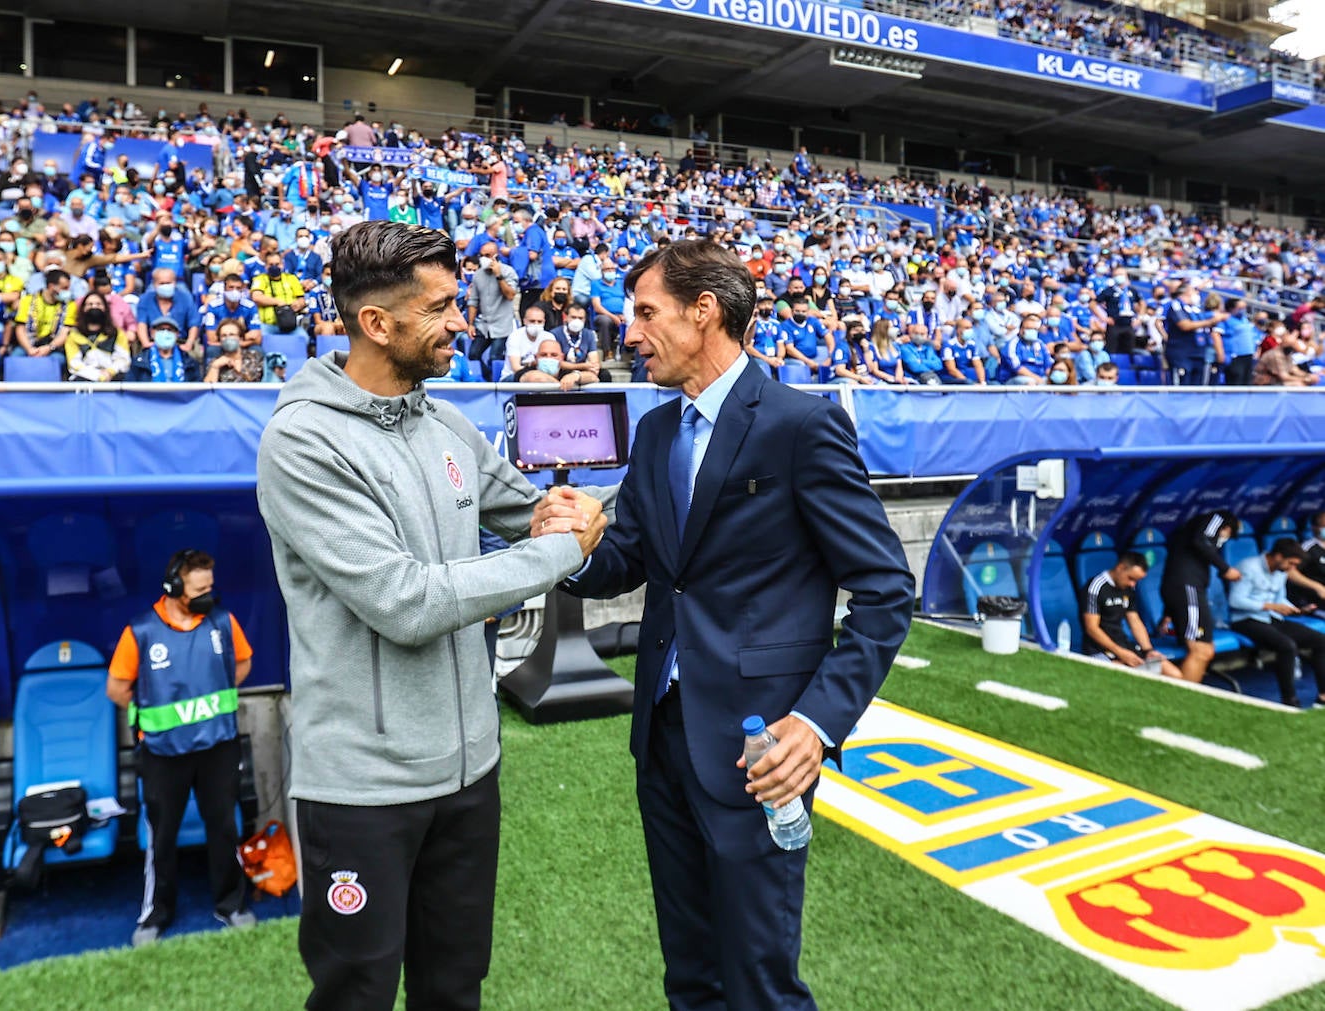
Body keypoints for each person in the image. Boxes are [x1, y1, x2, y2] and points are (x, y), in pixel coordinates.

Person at [546, 240, 914, 1010]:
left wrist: (815, 724)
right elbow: (634, 560)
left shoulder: (799, 426)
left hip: (762, 750)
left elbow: (884, 588)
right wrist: (575, 547)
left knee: (760, 981)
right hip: (663, 736)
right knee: (691, 974)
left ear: (703, 311)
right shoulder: (653, 433)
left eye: (646, 314)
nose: (631, 333)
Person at [256, 222, 610, 1011]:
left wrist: (623, 495)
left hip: (470, 771)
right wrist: (560, 553)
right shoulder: (302, 442)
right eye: (444, 306)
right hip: (362, 789)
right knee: (357, 994)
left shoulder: (444, 422)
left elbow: (536, 513)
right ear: (377, 324)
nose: (464, 321)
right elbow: (405, 603)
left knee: (455, 987)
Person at [105, 550, 255, 947]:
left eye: (210, 586)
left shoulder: (222, 622)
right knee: (163, 836)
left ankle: (231, 905)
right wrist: (151, 712)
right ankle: (157, 913)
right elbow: (117, 689)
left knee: (223, 827)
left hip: (218, 747)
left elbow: (242, 663)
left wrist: (214, 692)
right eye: (199, 588)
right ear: (173, 587)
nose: (209, 594)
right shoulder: (141, 632)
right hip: (163, 755)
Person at [1228, 539, 1325, 708]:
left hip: (1272, 617)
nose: (1291, 568)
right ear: (1279, 556)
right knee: (1287, 646)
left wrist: (1296, 609)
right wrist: (1271, 606)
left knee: (1321, 640)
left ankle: (1323, 696)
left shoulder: (1281, 571)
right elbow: (1235, 601)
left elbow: (1280, 599)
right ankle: (1290, 701)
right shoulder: (1249, 567)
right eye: (1291, 563)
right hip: (1245, 619)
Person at [1161, 511, 1242, 684]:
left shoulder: (1190, 537)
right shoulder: (1217, 518)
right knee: (1201, 650)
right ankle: (1182, 699)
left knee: (1206, 649)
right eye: (1229, 535)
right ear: (1227, 528)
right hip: (1188, 589)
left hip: (1186, 591)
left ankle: (1183, 694)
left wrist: (1167, 614)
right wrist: (1225, 568)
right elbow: (1200, 541)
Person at [1081, 553, 1181, 679]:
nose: (1133, 584)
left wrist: (1149, 651)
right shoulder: (1096, 586)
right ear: (1121, 568)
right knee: (1127, 676)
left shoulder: (1128, 588)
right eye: (1131, 578)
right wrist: (1121, 653)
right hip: (1098, 650)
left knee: (1175, 674)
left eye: (1136, 581)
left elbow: (1135, 621)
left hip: (1124, 645)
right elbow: (1092, 628)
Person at [64, 290, 131, 382]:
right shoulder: (74, 334)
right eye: (90, 304)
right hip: (85, 377)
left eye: (98, 304)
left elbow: (123, 359)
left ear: (105, 308)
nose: (94, 307)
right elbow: (74, 363)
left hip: (112, 376)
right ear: (83, 308)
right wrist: (96, 375)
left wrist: (109, 372)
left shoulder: (117, 333)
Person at [129, 316, 199, 382]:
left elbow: (198, 389)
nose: (165, 333)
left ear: (177, 334)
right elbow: (129, 389)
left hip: (180, 395)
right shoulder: (139, 362)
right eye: (161, 329)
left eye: (170, 330)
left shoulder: (189, 362)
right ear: (152, 333)